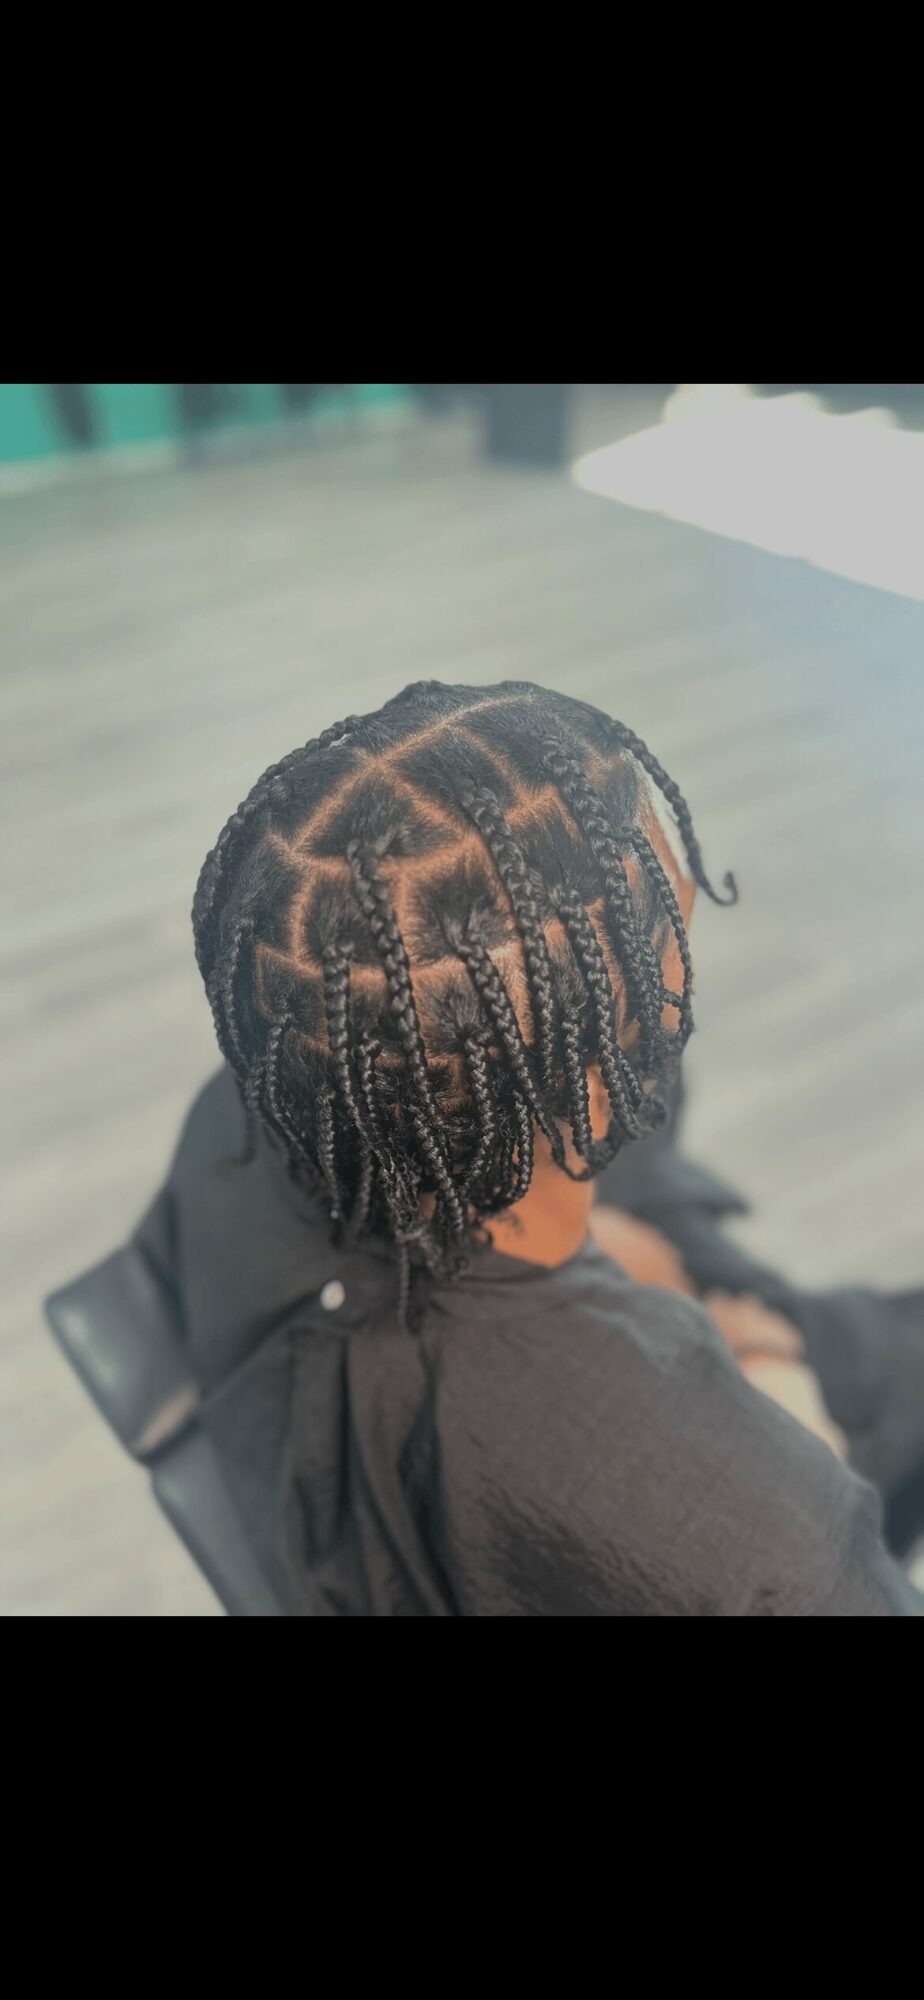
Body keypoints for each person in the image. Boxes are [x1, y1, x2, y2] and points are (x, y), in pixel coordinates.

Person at [135, 678, 924, 1614]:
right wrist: (781, 1388)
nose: (685, 955)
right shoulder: (770, 1538)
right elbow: (789, 1551)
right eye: (659, 965)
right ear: (590, 1094)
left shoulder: (259, 1087)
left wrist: (607, 1260)